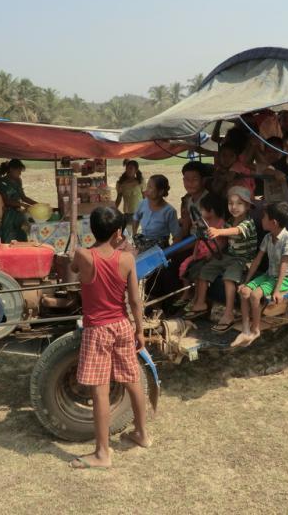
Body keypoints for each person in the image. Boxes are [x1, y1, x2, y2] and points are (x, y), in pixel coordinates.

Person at [69, 208, 148, 469]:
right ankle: (142, 434)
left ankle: (103, 454)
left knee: (100, 390)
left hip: (97, 330)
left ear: (91, 230)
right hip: (122, 325)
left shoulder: (83, 255)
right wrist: (140, 329)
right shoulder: (127, 259)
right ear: (118, 233)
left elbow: (72, 267)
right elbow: (135, 300)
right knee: (132, 379)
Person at [188, 186, 257, 331]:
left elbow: (235, 231)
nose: (234, 207)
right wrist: (208, 234)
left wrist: (219, 231)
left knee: (228, 278)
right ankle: (200, 303)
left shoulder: (248, 223)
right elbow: (222, 238)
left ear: (248, 206)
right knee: (205, 269)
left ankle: (228, 313)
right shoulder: (230, 220)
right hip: (229, 256)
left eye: (239, 204)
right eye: (231, 203)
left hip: (243, 259)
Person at [233, 202, 288, 347]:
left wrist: (277, 291)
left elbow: (284, 266)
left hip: (286, 278)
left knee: (255, 295)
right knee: (245, 292)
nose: (261, 220)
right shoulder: (268, 237)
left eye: (264, 217)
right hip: (270, 275)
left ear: (274, 222)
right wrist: (246, 281)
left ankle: (255, 329)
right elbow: (257, 261)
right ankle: (245, 330)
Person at [173, 193, 227, 308]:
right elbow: (198, 238)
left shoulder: (221, 224)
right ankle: (187, 293)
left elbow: (222, 243)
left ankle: (197, 298)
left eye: (202, 210)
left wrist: (213, 254)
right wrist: (194, 254)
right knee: (184, 266)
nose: (200, 212)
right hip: (200, 253)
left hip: (212, 255)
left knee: (198, 271)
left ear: (211, 211)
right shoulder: (202, 224)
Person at [132, 174, 179, 251]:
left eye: (150, 187)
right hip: (143, 247)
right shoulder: (142, 203)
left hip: (160, 251)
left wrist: (168, 253)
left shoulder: (169, 211)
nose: (146, 190)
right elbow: (136, 217)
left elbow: (177, 236)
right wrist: (134, 235)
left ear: (160, 192)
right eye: (147, 186)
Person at [0, 159, 36, 243]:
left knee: (22, 236)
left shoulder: (18, 181)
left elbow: (23, 197)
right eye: (18, 171)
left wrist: (37, 204)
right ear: (11, 169)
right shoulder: (2, 182)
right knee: (9, 239)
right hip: (7, 215)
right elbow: (6, 200)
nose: (20, 173)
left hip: (18, 214)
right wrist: (23, 204)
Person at [178, 161, 210, 239]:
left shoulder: (208, 202)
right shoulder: (189, 200)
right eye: (187, 179)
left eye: (195, 179)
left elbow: (205, 235)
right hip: (191, 238)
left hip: (202, 242)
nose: (190, 183)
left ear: (203, 180)